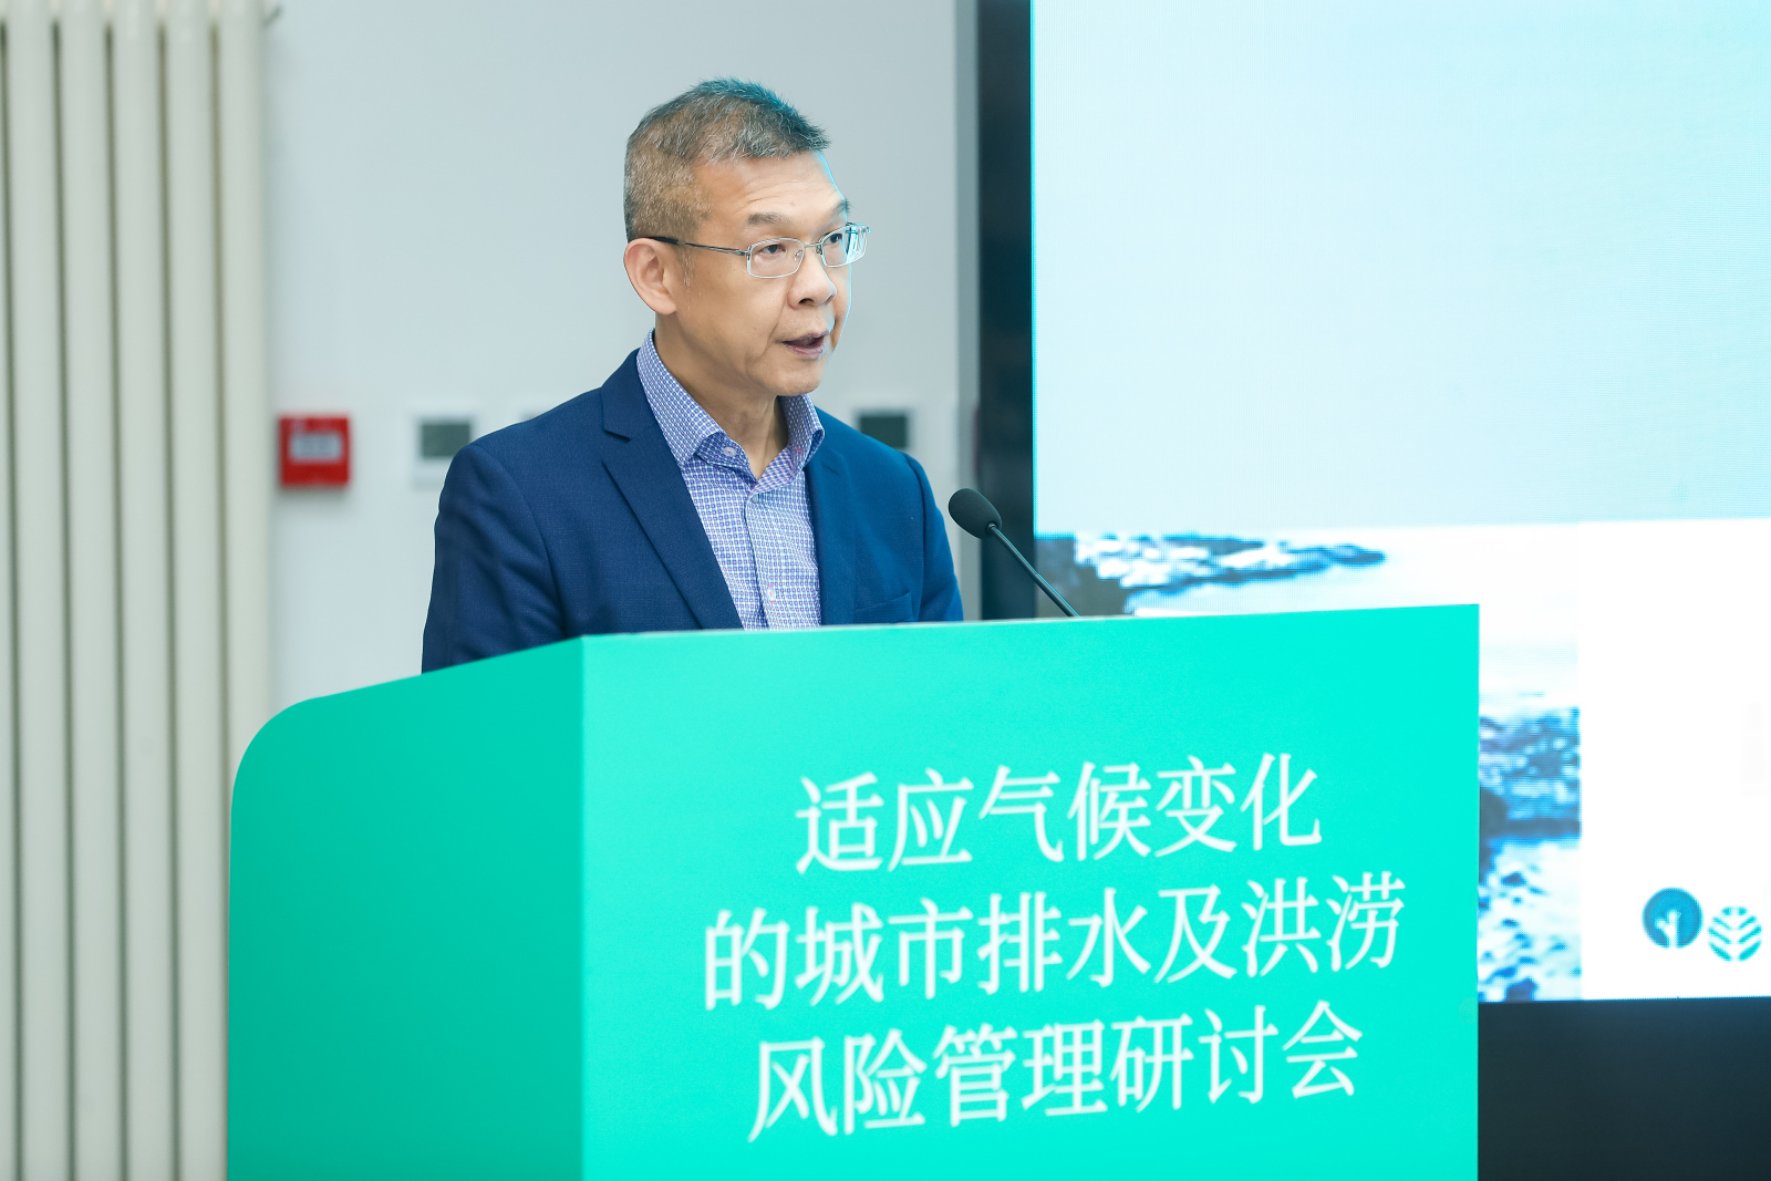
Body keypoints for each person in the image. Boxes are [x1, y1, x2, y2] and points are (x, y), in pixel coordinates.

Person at [422, 80, 962, 671]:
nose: (819, 286)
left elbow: (940, 714)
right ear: (657, 275)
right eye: (771, 250)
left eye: (832, 240)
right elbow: (487, 728)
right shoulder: (520, 493)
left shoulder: (892, 489)